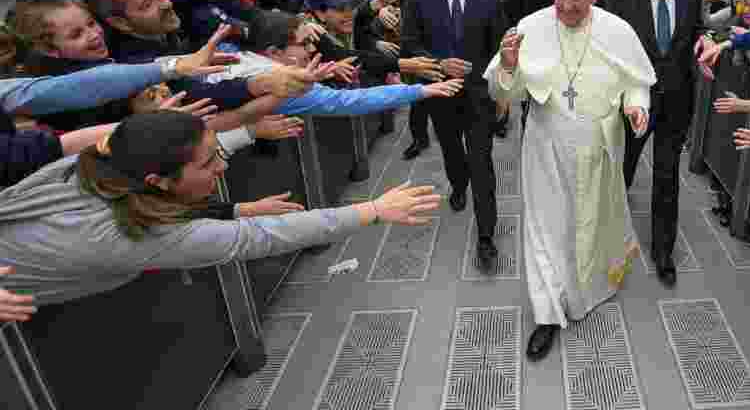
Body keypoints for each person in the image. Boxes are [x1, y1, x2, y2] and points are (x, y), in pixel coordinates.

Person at [0, 111, 440, 306]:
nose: (221, 166)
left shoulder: (101, 166)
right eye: (209, 162)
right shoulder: (120, 236)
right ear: (158, 180)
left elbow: (162, 202)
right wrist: (373, 210)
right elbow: (259, 238)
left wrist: (245, 137)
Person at [485, 0, 656, 361]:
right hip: (545, 145)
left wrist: (637, 109)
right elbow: (504, 95)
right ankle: (547, 312)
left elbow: (638, 84)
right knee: (545, 226)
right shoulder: (530, 26)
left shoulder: (618, 31)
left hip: (599, 146)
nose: (565, 7)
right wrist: (508, 67)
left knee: (589, 224)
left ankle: (586, 291)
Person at [401, 0, 505, 272]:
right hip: (440, 93)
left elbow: (499, 52)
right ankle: (457, 185)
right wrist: (438, 64)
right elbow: (410, 45)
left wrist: (501, 92)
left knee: (481, 162)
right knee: (452, 152)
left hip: (478, 97)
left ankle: (486, 236)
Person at [606, 0, 703, 286]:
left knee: (666, 175)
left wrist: (708, 42)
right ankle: (610, 238)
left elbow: (697, 34)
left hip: (676, 101)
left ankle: (664, 251)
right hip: (634, 102)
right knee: (623, 168)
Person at [390, 0, 440, 160]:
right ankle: (419, 138)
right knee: (416, 91)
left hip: (437, 28)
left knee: (439, 83)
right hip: (410, 33)